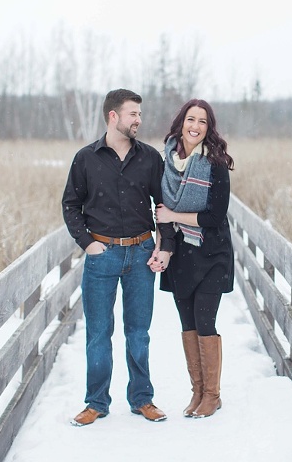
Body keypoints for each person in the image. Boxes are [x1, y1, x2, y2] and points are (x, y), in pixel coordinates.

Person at [62, 88, 175, 427]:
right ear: (113, 116)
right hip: (102, 255)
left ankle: (142, 399)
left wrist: (164, 245)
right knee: (98, 332)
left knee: (138, 332)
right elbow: (70, 205)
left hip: (142, 253)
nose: (138, 120)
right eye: (132, 114)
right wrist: (87, 244)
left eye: (140, 114)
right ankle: (96, 403)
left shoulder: (151, 158)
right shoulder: (86, 158)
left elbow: (165, 208)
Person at [155, 99, 235, 419]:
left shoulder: (216, 163)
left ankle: (212, 395)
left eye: (203, 121)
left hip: (212, 253)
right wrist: (165, 244)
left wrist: (175, 214)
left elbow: (215, 216)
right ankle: (198, 392)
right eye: (192, 119)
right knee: (187, 323)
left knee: (205, 322)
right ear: (181, 123)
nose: (196, 126)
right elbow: (160, 211)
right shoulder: (167, 163)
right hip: (182, 256)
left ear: (208, 128)